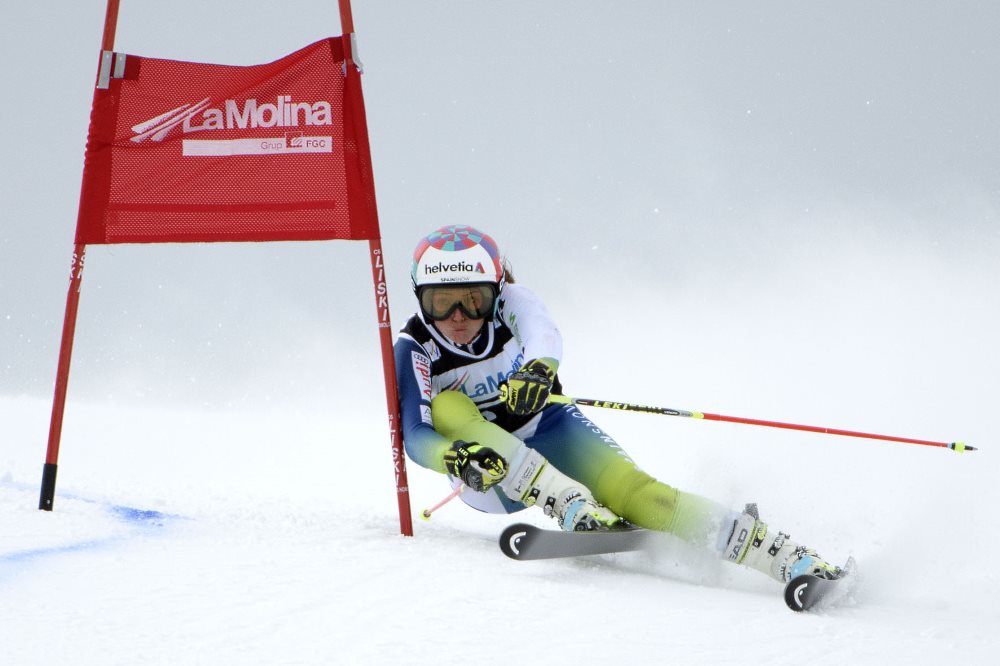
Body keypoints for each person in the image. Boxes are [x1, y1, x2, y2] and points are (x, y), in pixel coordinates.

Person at [394, 224, 842, 586]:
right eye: (441, 302)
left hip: (548, 428)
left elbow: (544, 335)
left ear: (495, 292)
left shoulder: (514, 303)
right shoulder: (414, 344)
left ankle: (789, 558)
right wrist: (452, 456)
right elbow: (415, 435)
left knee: (638, 493)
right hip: (490, 477)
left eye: (473, 300)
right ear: (421, 300)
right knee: (449, 406)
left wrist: (538, 371)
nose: (458, 317)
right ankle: (570, 502)